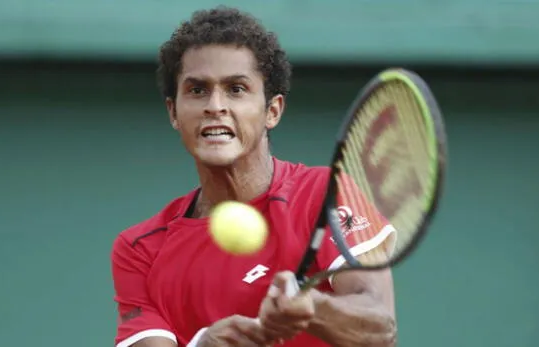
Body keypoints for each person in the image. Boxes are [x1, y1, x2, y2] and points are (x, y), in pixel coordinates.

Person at [111, 6, 397, 347]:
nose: (215, 105)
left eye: (236, 89)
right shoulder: (140, 249)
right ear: (174, 112)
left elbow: (380, 328)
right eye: (197, 90)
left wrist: (312, 308)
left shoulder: (325, 194)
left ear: (271, 111)